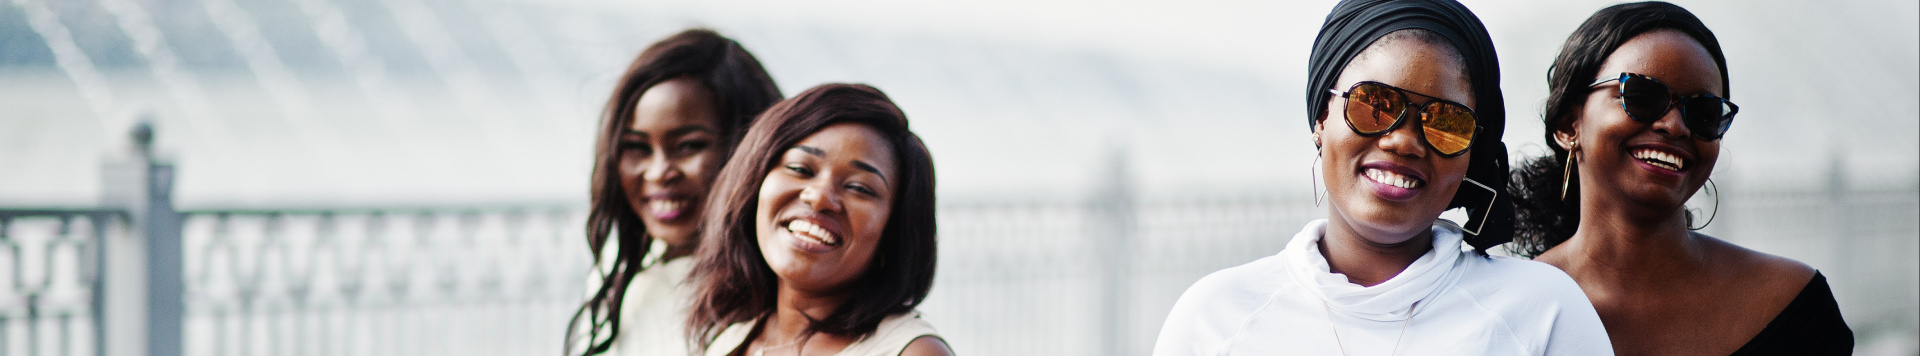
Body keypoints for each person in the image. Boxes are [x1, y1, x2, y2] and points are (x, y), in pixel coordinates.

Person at [1152, 0, 1612, 354]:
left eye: (1445, 123)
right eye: (1375, 105)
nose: (1404, 141)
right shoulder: (1216, 318)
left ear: (1471, 153)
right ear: (1320, 118)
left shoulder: (1542, 312)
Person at [1508, 2, 1853, 355]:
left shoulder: (1791, 306)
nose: (1674, 125)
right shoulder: (1504, 315)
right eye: (1641, 96)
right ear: (1569, 125)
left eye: (1703, 112)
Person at [686, 84, 952, 356]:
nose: (820, 198)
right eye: (800, 169)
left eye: (859, 188)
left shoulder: (913, 352)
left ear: (895, 229)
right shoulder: (727, 338)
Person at [566, 28, 783, 356]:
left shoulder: (777, 298)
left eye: (689, 146)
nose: (658, 173)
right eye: (637, 147)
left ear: (750, 147)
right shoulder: (618, 269)